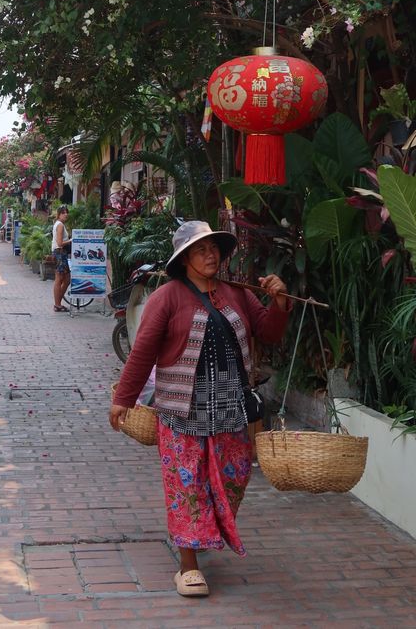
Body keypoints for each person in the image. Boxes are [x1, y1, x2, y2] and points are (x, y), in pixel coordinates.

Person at [109, 220, 291, 598]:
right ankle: (188, 566)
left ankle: (201, 533)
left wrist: (279, 304)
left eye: (214, 249)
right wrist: (123, 399)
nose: (210, 256)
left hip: (230, 408)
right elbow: (142, 351)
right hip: (182, 410)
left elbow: (269, 333)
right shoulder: (168, 297)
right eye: (200, 250)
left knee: (232, 478)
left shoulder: (237, 294)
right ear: (184, 259)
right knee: (187, 485)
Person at [52, 205, 71, 312]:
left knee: (67, 279)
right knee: (59, 278)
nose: (66, 214)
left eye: (66, 212)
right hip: (59, 252)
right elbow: (60, 243)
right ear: (59, 214)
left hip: (61, 253)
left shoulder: (59, 224)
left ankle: (58, 303)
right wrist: (71, 240)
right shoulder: (59, 225)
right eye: (63, 212)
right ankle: (57, 304)